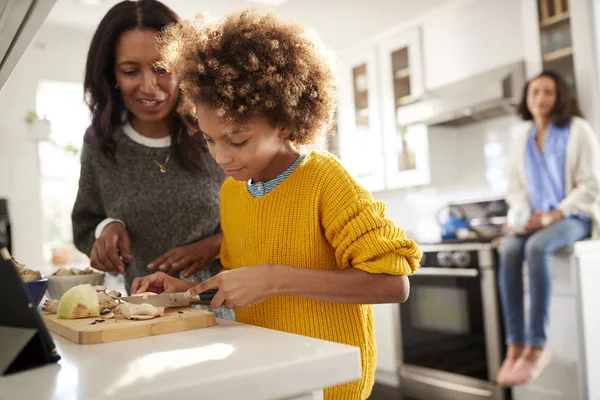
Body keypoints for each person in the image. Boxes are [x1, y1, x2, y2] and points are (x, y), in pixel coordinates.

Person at [131, 9, 421, 399]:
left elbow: (392, 284)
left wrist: (273, 278)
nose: (222, 157)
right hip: (269, 376)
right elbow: (242, 286)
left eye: (238, 140)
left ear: (284, 121)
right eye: (210, 140)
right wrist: (183, 292)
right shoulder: (232, 192)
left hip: (328, 380)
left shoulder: (325, 180)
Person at [71, 0, 233, 320]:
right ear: (112, 75)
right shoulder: (101, 143)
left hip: (219, 317)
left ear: (183, 68)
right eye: (131, 71)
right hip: (143, 319)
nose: (149, 86)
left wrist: (213, 245)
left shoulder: (214, 133)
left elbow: (259, 220)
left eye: (162, 69)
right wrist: (108, 227)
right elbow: (85, 224)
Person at [497, 70, 600, 386]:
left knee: (537, 247)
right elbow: (515, 188)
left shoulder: (578, 130)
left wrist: (555, 214)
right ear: (527, 99)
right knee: (510, 248)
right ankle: (515, 345)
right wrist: (519, 217)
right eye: (534, 92)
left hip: (574, 218)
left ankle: (537, 347)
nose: (540, 99)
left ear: (560, 97)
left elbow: (590, 185)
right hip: (534, 220)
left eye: (548, 92)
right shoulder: (521, 137)